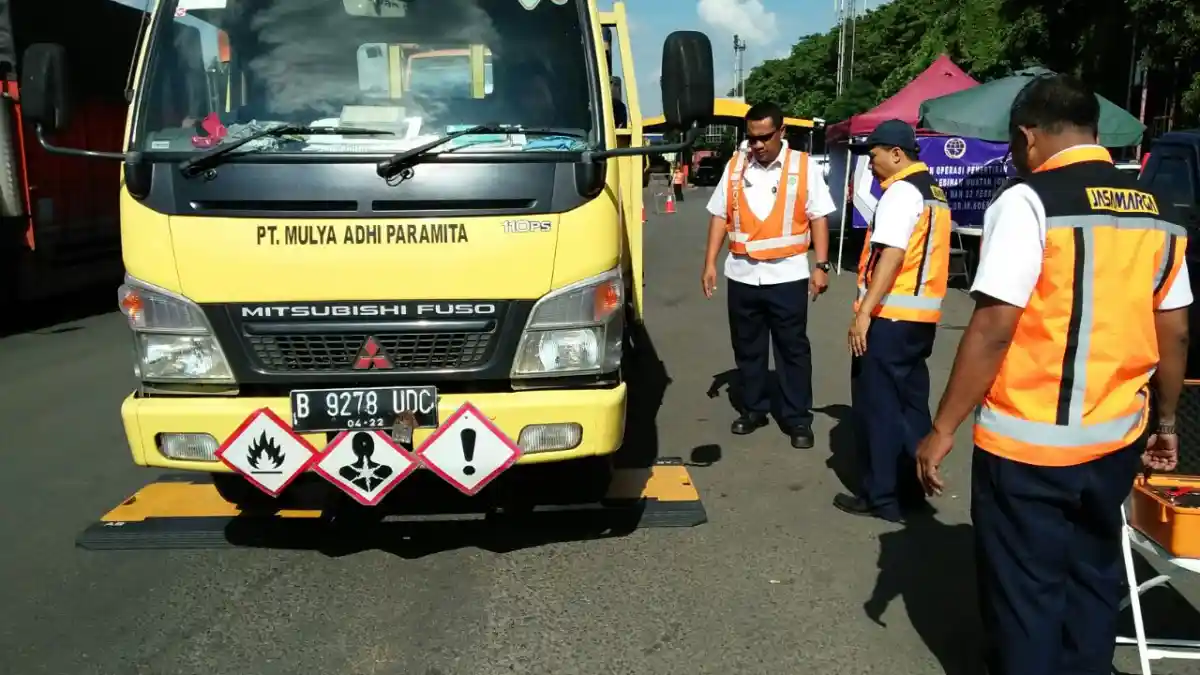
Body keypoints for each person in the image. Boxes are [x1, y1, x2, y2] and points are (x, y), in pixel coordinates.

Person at [913, 73, 1189, 675]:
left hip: (1029, 444)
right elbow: (1175, 329)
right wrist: (1167, 421)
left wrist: (943, 426)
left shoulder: (1029, 199)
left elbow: (992, 327)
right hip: (1116, 438)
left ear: (1027, 136)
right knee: (1092, 575)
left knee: (1025, 592)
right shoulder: (1159, 211)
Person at [834, 119, 951, 523]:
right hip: (920, 319)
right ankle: (912, 488)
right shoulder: (933, 191)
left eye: (874, 154)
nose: (870, 163)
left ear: (897, 154)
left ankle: (881, 496)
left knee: (877, 408)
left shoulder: (901, 191)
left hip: (889, 317)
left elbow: (893, 254)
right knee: (911, 407)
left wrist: (864, 313)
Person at [701, 101, 836, 448]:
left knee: (792, 350)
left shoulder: (803, 167)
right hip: (743, 275)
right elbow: (719, 215)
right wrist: (710, 264)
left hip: (786, 276)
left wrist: (821, 266)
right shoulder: (736, 166)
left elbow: (819, 217)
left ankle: (797, 419)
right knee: (748, 348)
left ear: (782, 132)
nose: (757, 145)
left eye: (764, 138)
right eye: (752, 138)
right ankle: (754, 409)